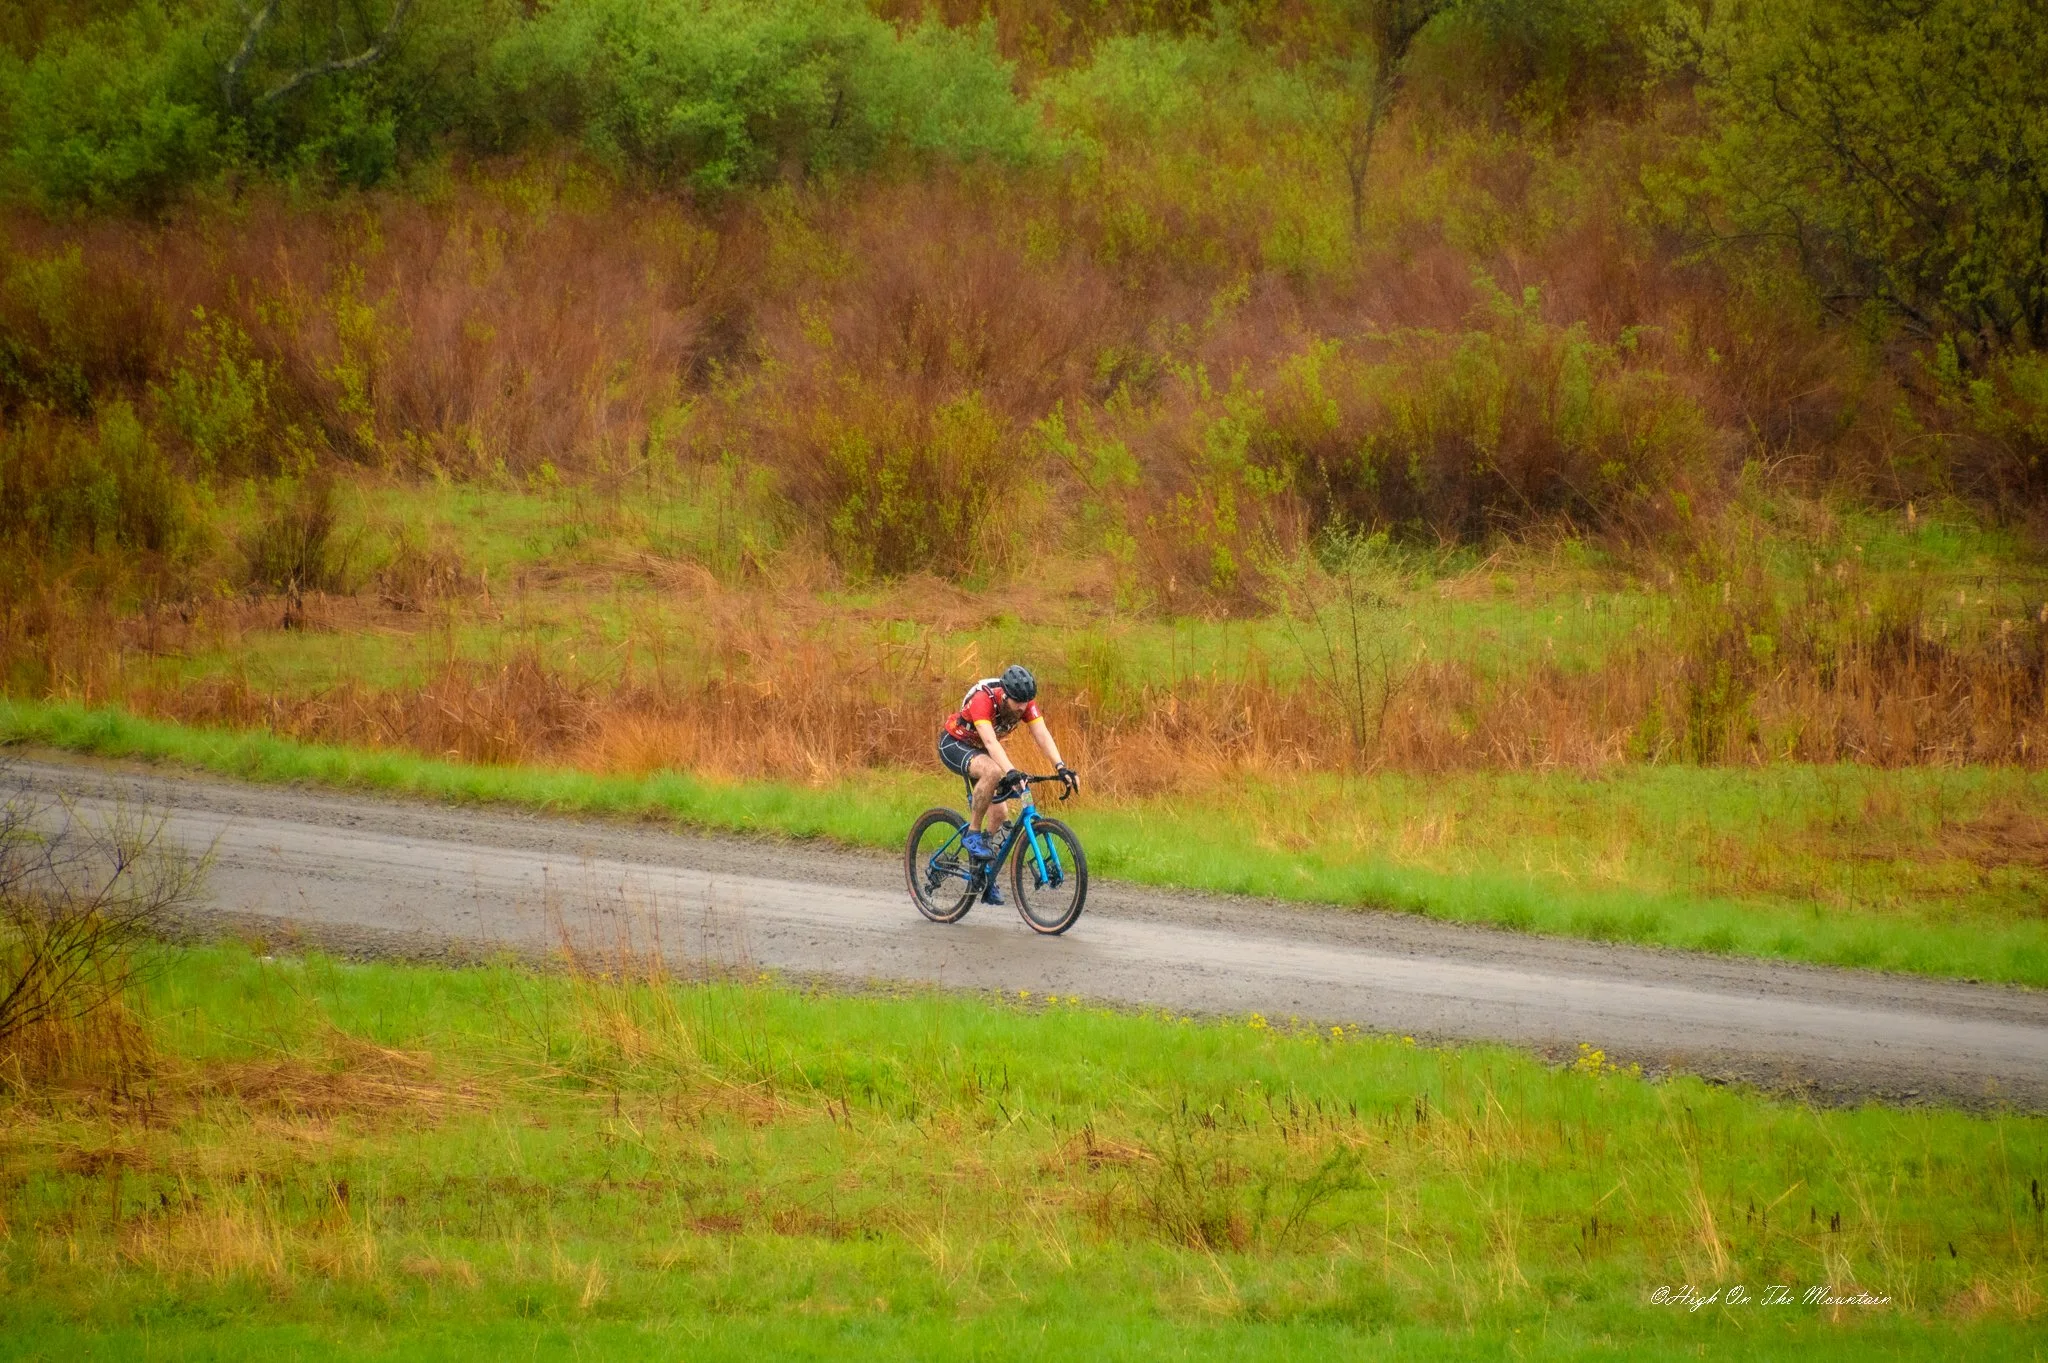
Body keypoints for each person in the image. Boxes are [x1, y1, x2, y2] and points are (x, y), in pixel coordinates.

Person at [936, 664, 1077, 905]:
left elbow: (1042, 734)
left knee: (1000, 814)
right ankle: (972, 834)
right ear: (1005, 695)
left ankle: (983, 874)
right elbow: (990, 742)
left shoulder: (1025, 704)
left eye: (1026, 702)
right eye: (1017, 702)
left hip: (980, 750)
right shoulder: (984, 700)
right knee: (992, 771)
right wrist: (1010, 771)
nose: (1022, 707)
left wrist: (1061, 767)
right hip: (955, 744)